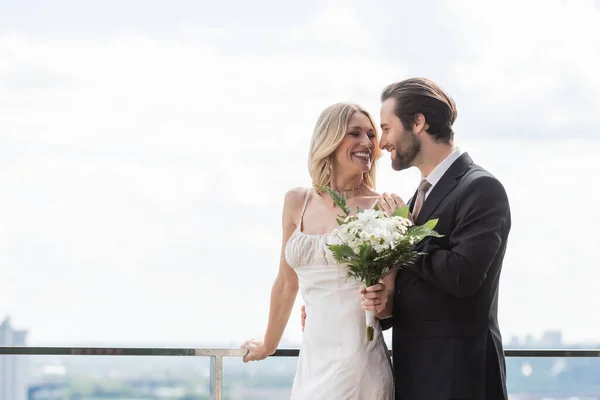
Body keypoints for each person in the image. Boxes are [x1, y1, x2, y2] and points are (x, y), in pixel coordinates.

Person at [301, 78, 511, 400]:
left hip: (459, 379)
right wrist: (357, 310)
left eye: (385, 128)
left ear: (418, 123)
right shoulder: (417, 198)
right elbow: (413, 285)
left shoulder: (480, 188)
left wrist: (406, 230)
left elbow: (462, 275)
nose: (381, 143)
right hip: (413, 377)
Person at [241, 102, 395, 399]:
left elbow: (390, 301)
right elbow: (286, 283)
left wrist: (381, 301)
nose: (367, 143)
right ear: (330, 140)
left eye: (371, 135)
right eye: (355, 133)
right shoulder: (297, 201)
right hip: (312, 363)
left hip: (359, 362)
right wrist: (267, 346)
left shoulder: (386, 208)